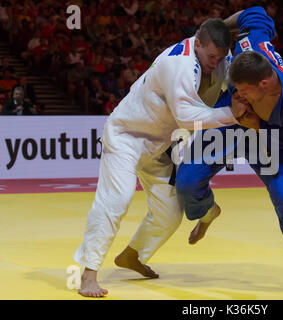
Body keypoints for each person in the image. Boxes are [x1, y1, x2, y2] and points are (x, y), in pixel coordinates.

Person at [73, 18, 248, 298]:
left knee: (170, 212)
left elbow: (226, 35)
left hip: (157, 144)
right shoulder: (178, 65)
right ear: (198, 43)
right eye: (212, 56)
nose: (216, 63)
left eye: (220, 57)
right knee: (115, 200)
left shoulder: (212, 53)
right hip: (126, 138)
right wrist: (233, 114)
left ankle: (133, 255)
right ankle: (88, 274)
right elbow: (187, 117)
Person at [176, 7, 283, 298]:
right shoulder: (251, 45)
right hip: (233, 125)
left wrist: (259, 128)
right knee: (186, 180)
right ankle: (206, 213)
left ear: (265, 84)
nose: (238, 93)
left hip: (271, 141)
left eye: (243, 90)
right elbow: (254, 12)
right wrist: (220, 25)